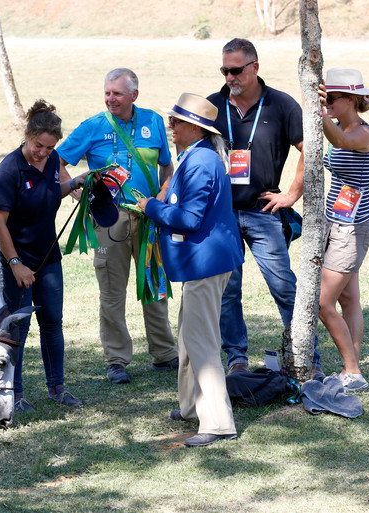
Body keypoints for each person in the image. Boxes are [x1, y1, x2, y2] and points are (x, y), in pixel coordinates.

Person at [207, 38, 321, 375]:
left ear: (255, 67)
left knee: (285, 287)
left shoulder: (281, 105)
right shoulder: (212, 106)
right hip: (222, 217)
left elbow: (309, 149)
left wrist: (290, 195)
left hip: (264, 212)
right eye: (225, 70)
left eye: (236, 70)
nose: (230, 77)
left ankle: (306, 358)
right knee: (228, 292)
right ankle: (236, 359)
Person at [57, 68, 178, 385]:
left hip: (150, 217)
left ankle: (165, 353)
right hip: (108, 219)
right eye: (107, 93)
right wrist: (73, 188)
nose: (111, 99)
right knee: (112, 292)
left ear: (134, 95)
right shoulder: (93, 126)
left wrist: (162, 196)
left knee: (153, 285)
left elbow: (168, 166)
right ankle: (116, 361)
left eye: (118, 94)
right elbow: (56, 162)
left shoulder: (153, 121)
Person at [137, 93, 241, 447]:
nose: (171, 126)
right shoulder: (197, 156)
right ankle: (190, 407)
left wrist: (150, 206)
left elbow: (189, 218)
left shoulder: (200, 162)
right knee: (187, 335)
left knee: (201, 341)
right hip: (203, 261)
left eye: (176, 121)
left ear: (195, 128)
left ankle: (218, 422)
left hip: (205, 261)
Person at [0, 99, 93, 411]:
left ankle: (57, 389)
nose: (44, 153)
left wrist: (76, 181)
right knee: (18, 328)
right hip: (17, 262)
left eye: (50, 148)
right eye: (39, 146)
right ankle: (15, 394)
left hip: (49, 258)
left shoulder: (52, 161)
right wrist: (16, 264)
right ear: (28, 136)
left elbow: (52, 190)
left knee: (53, 322)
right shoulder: (10, 170)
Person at [317, 68, 369, 392]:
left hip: (352, 227)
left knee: (324, 303)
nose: (328, 103)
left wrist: (315, 109)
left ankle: (353, 371)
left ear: (352, 99)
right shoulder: (340, 125)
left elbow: (339, 141)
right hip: (335, 221)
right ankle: (352, 365)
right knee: (349, 298)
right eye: (325, 97)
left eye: (333, 98)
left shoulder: (364, 134)